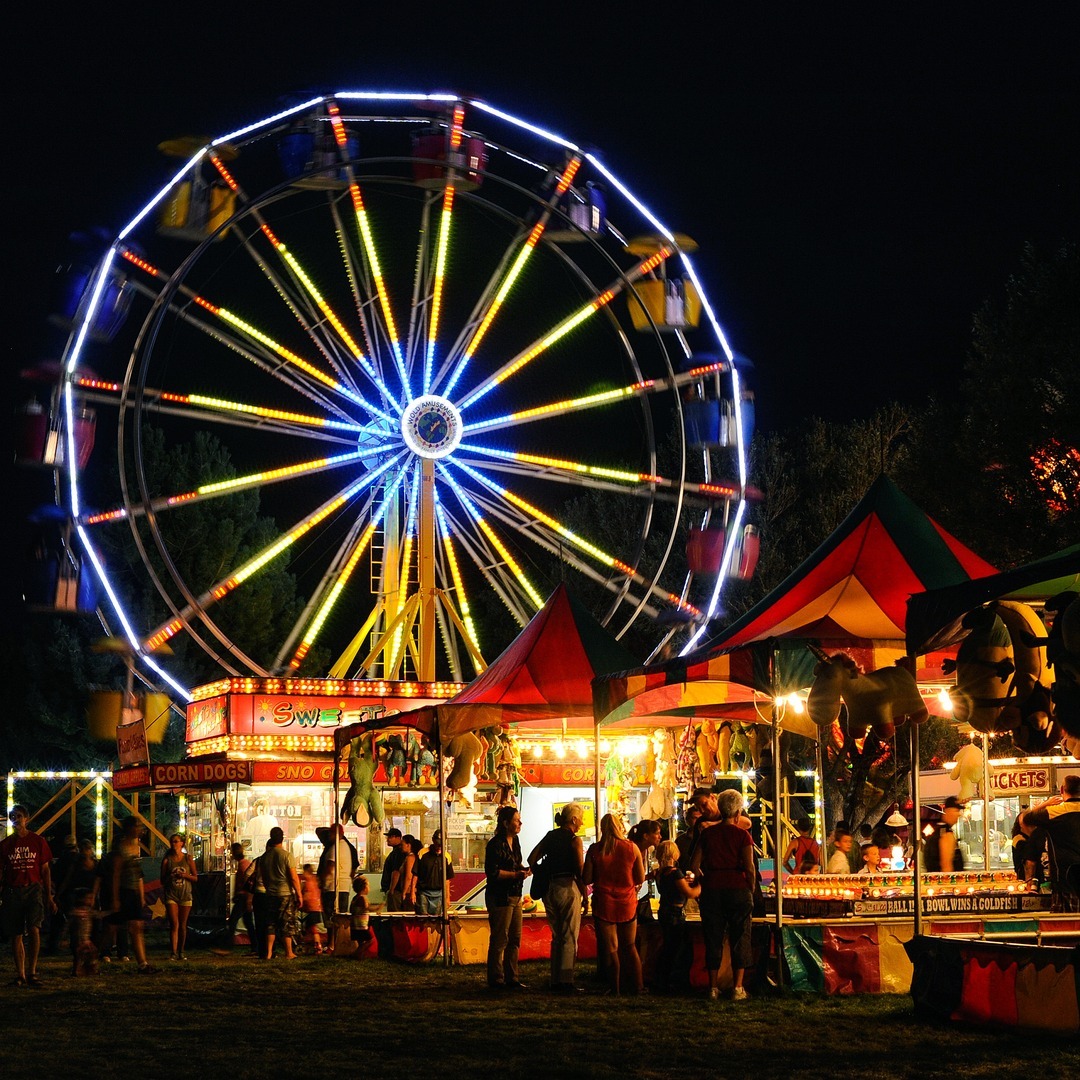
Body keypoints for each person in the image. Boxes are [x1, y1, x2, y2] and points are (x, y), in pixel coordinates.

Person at [690, 788, 754, 1002]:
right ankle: (737, 987)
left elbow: (694, 863)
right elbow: (750, 867)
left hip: (712, 889)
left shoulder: (707, 833)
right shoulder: (742, 835)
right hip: (738, 888)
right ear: (737, 813)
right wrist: (750, 886)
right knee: (740, 936)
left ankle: (713, 987)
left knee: (713, 937)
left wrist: (703, 879)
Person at [584, 812, 646, 996]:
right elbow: (640, 877)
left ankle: (615, 988)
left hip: (604, 903)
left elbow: (586, 877)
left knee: (611, 949)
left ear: (602, 829)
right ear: (619, 827)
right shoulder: (631, 848)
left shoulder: (595, 850)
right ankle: (638, 987)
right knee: (630, 946)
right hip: (627, 902)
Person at [528, 803, 585, 993]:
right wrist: (585, 892)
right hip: (567, 886)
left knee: (557, 936)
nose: (582, 822)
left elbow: (531, 858)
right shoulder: (574, 840)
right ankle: (566, 981)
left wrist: (542, 873)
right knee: (569, 935)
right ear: (574, 820)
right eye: (581, 818)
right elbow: (579, 869)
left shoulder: (550, 836)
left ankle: (555, 979)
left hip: (549, 888)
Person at [0, 804, 57, 987]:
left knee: (34, 929)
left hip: (33, 889)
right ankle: (20, 975)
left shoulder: (38, 841)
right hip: (12, 890)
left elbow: (45, 870)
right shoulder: (5, 845)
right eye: (12, 817)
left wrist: (49, 896)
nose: (16, 819)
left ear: (26, 818)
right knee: (16, 933)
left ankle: (32, 972)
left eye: (19, 816)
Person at [485, 805, 530, 990]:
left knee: (514, 938)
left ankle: (512, 977)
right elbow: (493, 873)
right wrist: (515, 875)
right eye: (516, 820)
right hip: (500, 896)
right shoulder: (495, 844)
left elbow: (515, 863)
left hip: (515, 894)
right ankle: (496, 979)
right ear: (505, 823)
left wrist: (523, 870)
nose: (520, 823)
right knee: (500, 938)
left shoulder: (516, 841)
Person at [1023, 774, 1080, 911]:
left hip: (1065, 882)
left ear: (1062, 790)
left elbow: (1026, 818)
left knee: (1065, 927)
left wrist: (1046, 803)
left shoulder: (1054, 812)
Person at [110, 816, 157, 974]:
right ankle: (92, 954)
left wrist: (141, 893)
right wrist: (116, 898)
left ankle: (142, 963)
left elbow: (138, 873)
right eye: (137, 826)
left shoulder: (136, 846)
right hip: (124, 891)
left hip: (134, 891)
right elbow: (116, 873)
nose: (140, 829)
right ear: (130, 828)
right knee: (112, 928)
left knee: (137, 927)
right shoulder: (121, 847)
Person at [652, 839, 700, 993]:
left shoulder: (659, 873)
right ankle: (673, 981)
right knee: (677, 949)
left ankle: (661, 980)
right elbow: (690, 893)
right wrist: (701, 885)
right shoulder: (675, 873)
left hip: (664, 910)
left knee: (668, 947)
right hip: (675, 913)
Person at [259, 826, 302, 959]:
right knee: (286, 924)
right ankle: (289, 952)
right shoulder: (287, 856)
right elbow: (294, 878)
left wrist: (268, 888)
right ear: (282, 838)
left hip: (270, 894)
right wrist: (299, 894)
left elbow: (263, 877)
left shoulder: (264, 857)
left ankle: (269, 952)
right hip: (285, 894)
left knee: (270, 923)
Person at [161, 833, 197, 960]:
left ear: (182, 843)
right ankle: (173, 952)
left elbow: (195, 877)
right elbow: (162, 880)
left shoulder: (188, 859)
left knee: (183, 924)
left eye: (176, 841)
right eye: (172, 842)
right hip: (172, 894)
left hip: (185, 894)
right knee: (174, 923)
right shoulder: (167, 860)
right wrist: (169, 877)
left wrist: (185, 876)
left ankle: (181, 951)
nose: (174, 844)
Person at [316, 824, 358, 919]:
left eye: (330, 834)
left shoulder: (336, 847)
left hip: (333, 888)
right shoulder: (347, 846)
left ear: (335, 834)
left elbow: (330, 868)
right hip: (343, 887)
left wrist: (321, 882)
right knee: (340, 919)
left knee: (332, 919)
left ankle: (333, 934)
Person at [415, 830, 455, 916]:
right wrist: (412, 893)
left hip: (439, 893)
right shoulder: (422, 853)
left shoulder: (446, 856)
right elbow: (415, 874)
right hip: (423, 892)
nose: (439, 847)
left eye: (441, 845)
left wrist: (447, 897)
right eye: (437, 844)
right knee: (423, 919)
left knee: (437, 919)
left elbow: (447, 880)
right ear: (433, 840)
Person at [227, 842, 257, 953]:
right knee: (248, 923)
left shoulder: (243, 865)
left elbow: (248, 882)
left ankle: (228, 946)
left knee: (233, 921)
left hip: (243, 897)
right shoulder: (244, 863)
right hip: (244, 896)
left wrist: (247, 897)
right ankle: (255, 946)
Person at [923, 796, 965, 872]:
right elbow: (946, 865)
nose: (959, 814)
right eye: (956, 810)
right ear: (948, 811)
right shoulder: (946, 834)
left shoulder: (938, 830)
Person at [67, 886, 99, 976]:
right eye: (88, 898)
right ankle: (77, 971)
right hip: (77, 939)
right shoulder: (76, 912)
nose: (90, 900)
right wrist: (64, 938)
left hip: (85, 939)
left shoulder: (88, 911)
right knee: (78, 956)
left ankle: (89, 970)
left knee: (91, 954)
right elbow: (68, 925)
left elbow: (98, 915)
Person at [388, 834, 420, 912]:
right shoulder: (410, 857)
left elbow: (409, 877)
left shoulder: (410, 858)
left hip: (408, 892)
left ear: (408, 845)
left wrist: (404, 892)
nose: (401, 846)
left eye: (402, 844)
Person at [300, 863, 326, 954]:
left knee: (313, 928)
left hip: (312, 908)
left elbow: (308, 896)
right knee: (311, 928)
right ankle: (312, 945)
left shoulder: (308, 883)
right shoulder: (315, 881)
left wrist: (301, 901)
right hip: (317, 908)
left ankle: (317, 945)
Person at [381, 828, 405, 909]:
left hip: (396, 891)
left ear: (398, 838)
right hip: (395, 890)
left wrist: (391, 890)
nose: (388, 839)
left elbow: (396, 872)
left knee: (395, 915)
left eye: (391, 837)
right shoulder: (395, 852)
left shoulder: (398, 853)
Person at [349, 876, 373, 955]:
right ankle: (356, 953)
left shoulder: (354, 898)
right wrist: (379, 907)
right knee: (370, 940)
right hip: (361, 926)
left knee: (361, 942)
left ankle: (360, 956)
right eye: (368, 885)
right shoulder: (363, 898)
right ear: (364, 887)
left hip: (354, 925)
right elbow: (368, 908)